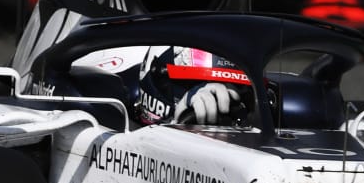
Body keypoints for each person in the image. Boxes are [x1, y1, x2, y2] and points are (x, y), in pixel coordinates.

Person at [71, 45, 250, 126]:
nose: (220, 97)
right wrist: (176, 124)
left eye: (231, 85)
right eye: (194, 83)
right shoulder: (109, 110)